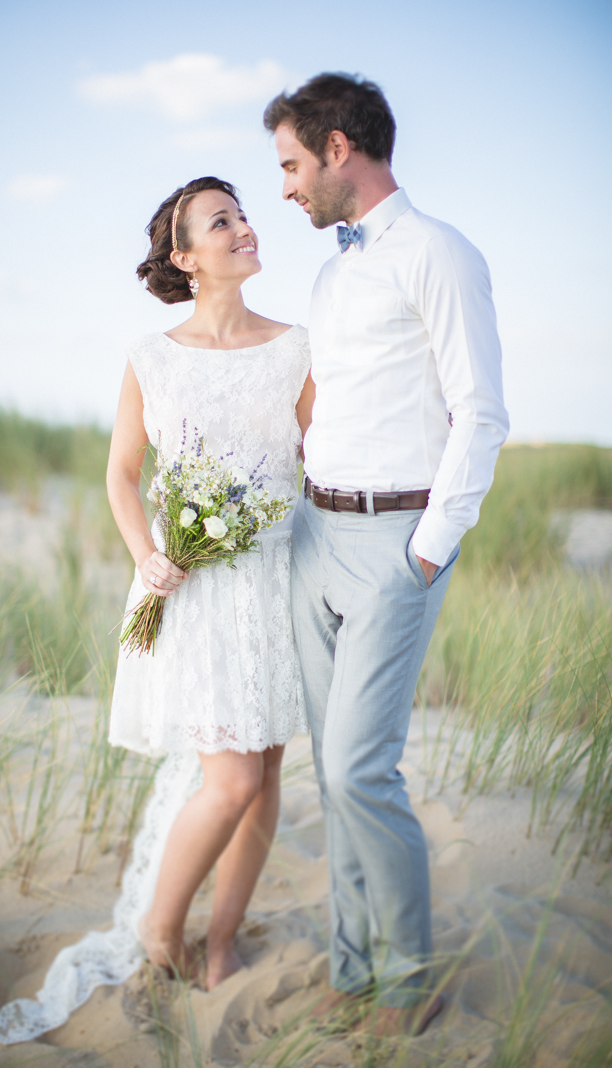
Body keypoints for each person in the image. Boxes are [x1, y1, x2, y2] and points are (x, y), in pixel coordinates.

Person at [263, 74, 509, 1035]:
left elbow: (481, 412)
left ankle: (408, 980)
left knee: (365, 768)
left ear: (336, 148)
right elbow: (328, 408)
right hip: (312, 537)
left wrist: (427, 553)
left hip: (395, 544)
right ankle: (353, 964)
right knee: (332, 771)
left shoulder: (440, 254)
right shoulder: (331, 270)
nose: (284, 188)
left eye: (289, 164)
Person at [106, 176, 314, 991]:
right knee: (227, 779)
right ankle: (161, 926)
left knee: (263, 780)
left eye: (244, 214)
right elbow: (123, 476)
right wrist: (145, 553)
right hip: (190, 585)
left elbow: (321, 458)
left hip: (273, 580)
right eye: (221, 222)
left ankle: (222, 941)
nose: (244, 228)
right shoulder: (150, 357)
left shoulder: (297, 347)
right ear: (186, 258)